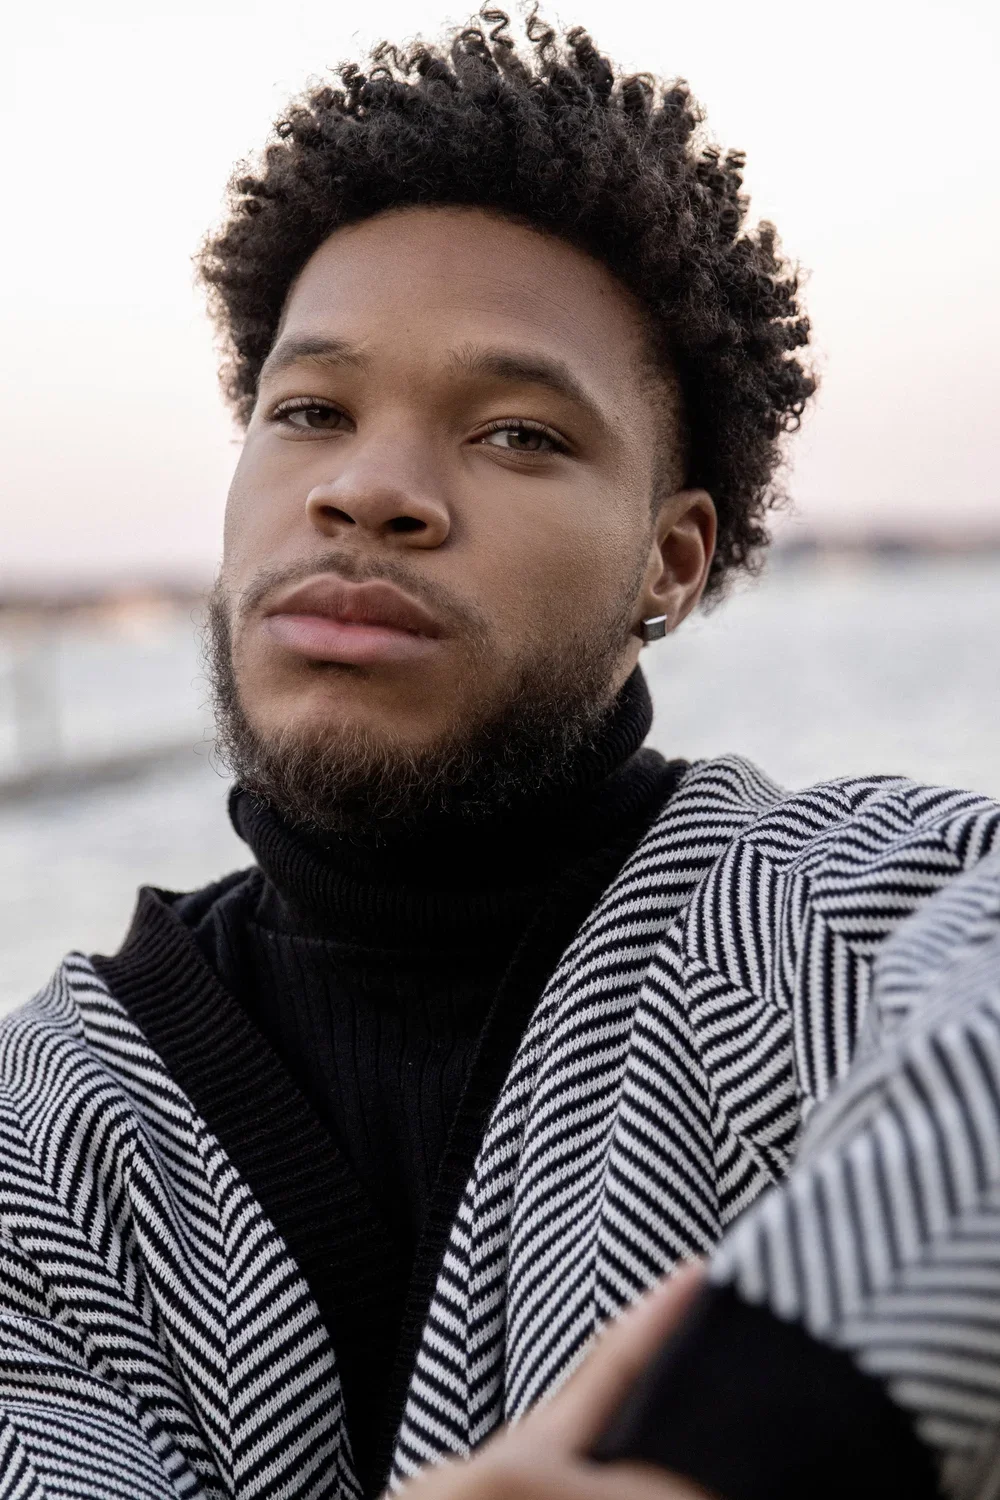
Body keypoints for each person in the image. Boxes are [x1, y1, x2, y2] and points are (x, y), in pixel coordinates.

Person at [3, 11, 998, 1499]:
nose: (370, 489)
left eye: (520, 434)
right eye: (311, 410)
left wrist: (763, 1411)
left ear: (671, 563)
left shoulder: (859, 915)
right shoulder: (47, 1134)